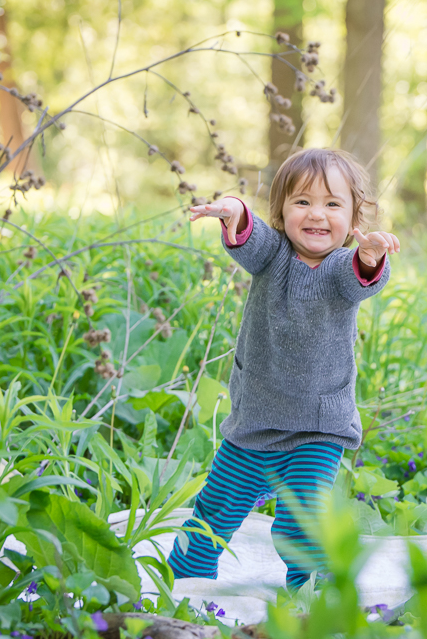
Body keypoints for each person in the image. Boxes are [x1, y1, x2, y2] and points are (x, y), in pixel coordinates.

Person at [166, 147, 400, 591]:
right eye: (303, 202)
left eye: (332, 204)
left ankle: (313, 601)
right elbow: (246, 237)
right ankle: (184, 591)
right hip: (255, 421)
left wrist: (370, 255)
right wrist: (234, 210)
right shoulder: (271, 254)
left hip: (318, 428)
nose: (317, 214)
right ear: (282, 211)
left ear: (353, 220)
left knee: (302, 523)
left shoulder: (340, 268)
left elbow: (361, 276)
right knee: (212, 514)